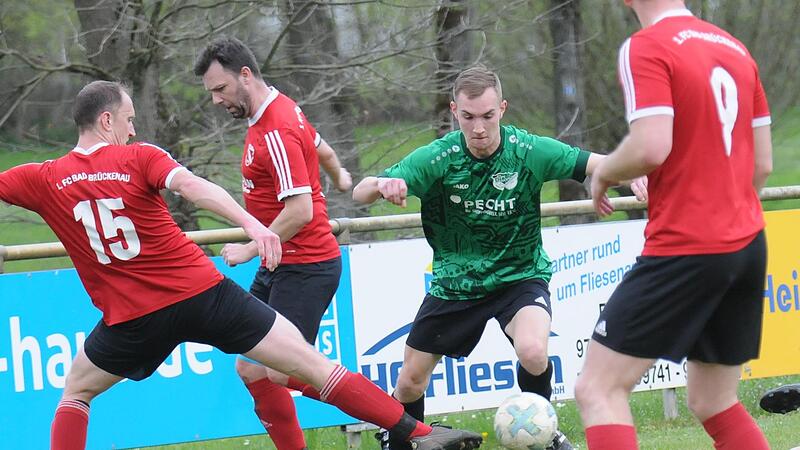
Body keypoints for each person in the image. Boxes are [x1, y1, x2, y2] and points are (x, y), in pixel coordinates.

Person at [0, 80, 483, 450]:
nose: (133, 128)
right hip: (205, 296)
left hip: (132, 320)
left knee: (76, 393)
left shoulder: (42, 178)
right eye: (128, 118)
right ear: (106, 121)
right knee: (312, 365)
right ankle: (418, 432)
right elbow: (194, 187)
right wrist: (255, 226)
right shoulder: (139, 157)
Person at [352, 65, 645, 450]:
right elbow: (359, 193)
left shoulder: (528, 151)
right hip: (456, 285)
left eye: (488, 116)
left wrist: (635, 173)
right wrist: (381, 184)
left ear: (502, 109)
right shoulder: (438, 159)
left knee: (533, 350)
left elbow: (594, 163)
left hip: (520, 277)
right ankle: (400, 440)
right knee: (410, 380)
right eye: (469, 117)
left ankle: (543, 430)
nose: (479, 128)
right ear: (454, 111)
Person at [574, 1, 773, 449]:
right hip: (746, 243)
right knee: (714, 400)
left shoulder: (647, 46)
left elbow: (651, 146)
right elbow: (761, 165)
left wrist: (605, 171)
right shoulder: (735, 49)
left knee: (599, 389)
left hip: (688, 243)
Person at [193, 37, 352, 450]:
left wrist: (249, 247)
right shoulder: (278, 111)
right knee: (249, 368)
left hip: (306, 266)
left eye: (220, 89)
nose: (215, 100)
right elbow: (324, 149)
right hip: (279, 262)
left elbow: (300, 210)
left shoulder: (276, 127)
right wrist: (339, 177)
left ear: (245, 75)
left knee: (281, 372)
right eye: (211, 92)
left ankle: (384, 411)